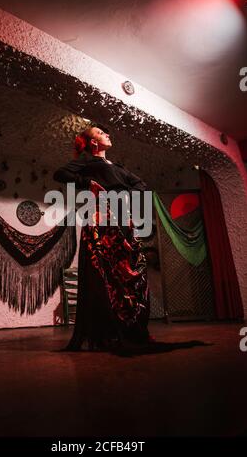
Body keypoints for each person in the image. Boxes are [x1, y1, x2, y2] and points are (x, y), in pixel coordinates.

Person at [53, 126, 154, 352]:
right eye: (100, 132)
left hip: (123, 220)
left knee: (130, 272)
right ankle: (107, 331)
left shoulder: (118, 168)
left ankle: (130, 326)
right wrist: (87, 183)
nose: (107, 134)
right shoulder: (87, 163)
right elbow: (60, 174)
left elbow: (141, 184)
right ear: (93, 143)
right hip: (100, 219)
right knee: (104, 273)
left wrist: (127, 196)